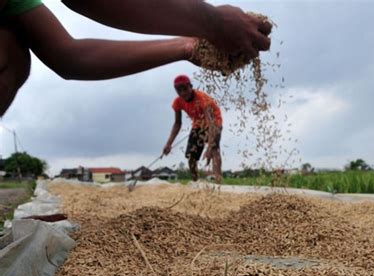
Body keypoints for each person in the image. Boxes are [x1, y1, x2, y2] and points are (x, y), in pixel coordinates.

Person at [0, 0, 272, 116]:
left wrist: (187, 47)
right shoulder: (180, 102)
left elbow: (69, 56)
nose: (182, 90)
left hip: (210, 124)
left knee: (10, 47)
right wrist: (213, 22)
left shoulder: (199, 101)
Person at [163, 75, 222, 183]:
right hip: (198, 124)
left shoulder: (202, 99)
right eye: (179, 90)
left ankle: (218, 181)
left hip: (214, 122)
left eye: (185, 89)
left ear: (191, 86)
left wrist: (209, 147)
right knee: (191, 156)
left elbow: (211, 123)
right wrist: (169, 144)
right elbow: (177, 123)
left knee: (214, 149)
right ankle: (196, 181)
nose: (183, 93)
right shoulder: (177, 102)